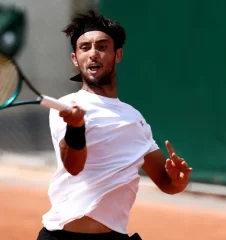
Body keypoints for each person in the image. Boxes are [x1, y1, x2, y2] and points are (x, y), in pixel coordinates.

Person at [37, 9, 192, 240]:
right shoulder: (67, 106)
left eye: (101, 46)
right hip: (63, 237)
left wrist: (179, 180)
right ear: (75, 59)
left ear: (118, 54)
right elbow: (73, 166)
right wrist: (76, 127)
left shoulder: (134, 119)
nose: (93, 54)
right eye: (84, 47)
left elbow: (166, 182)